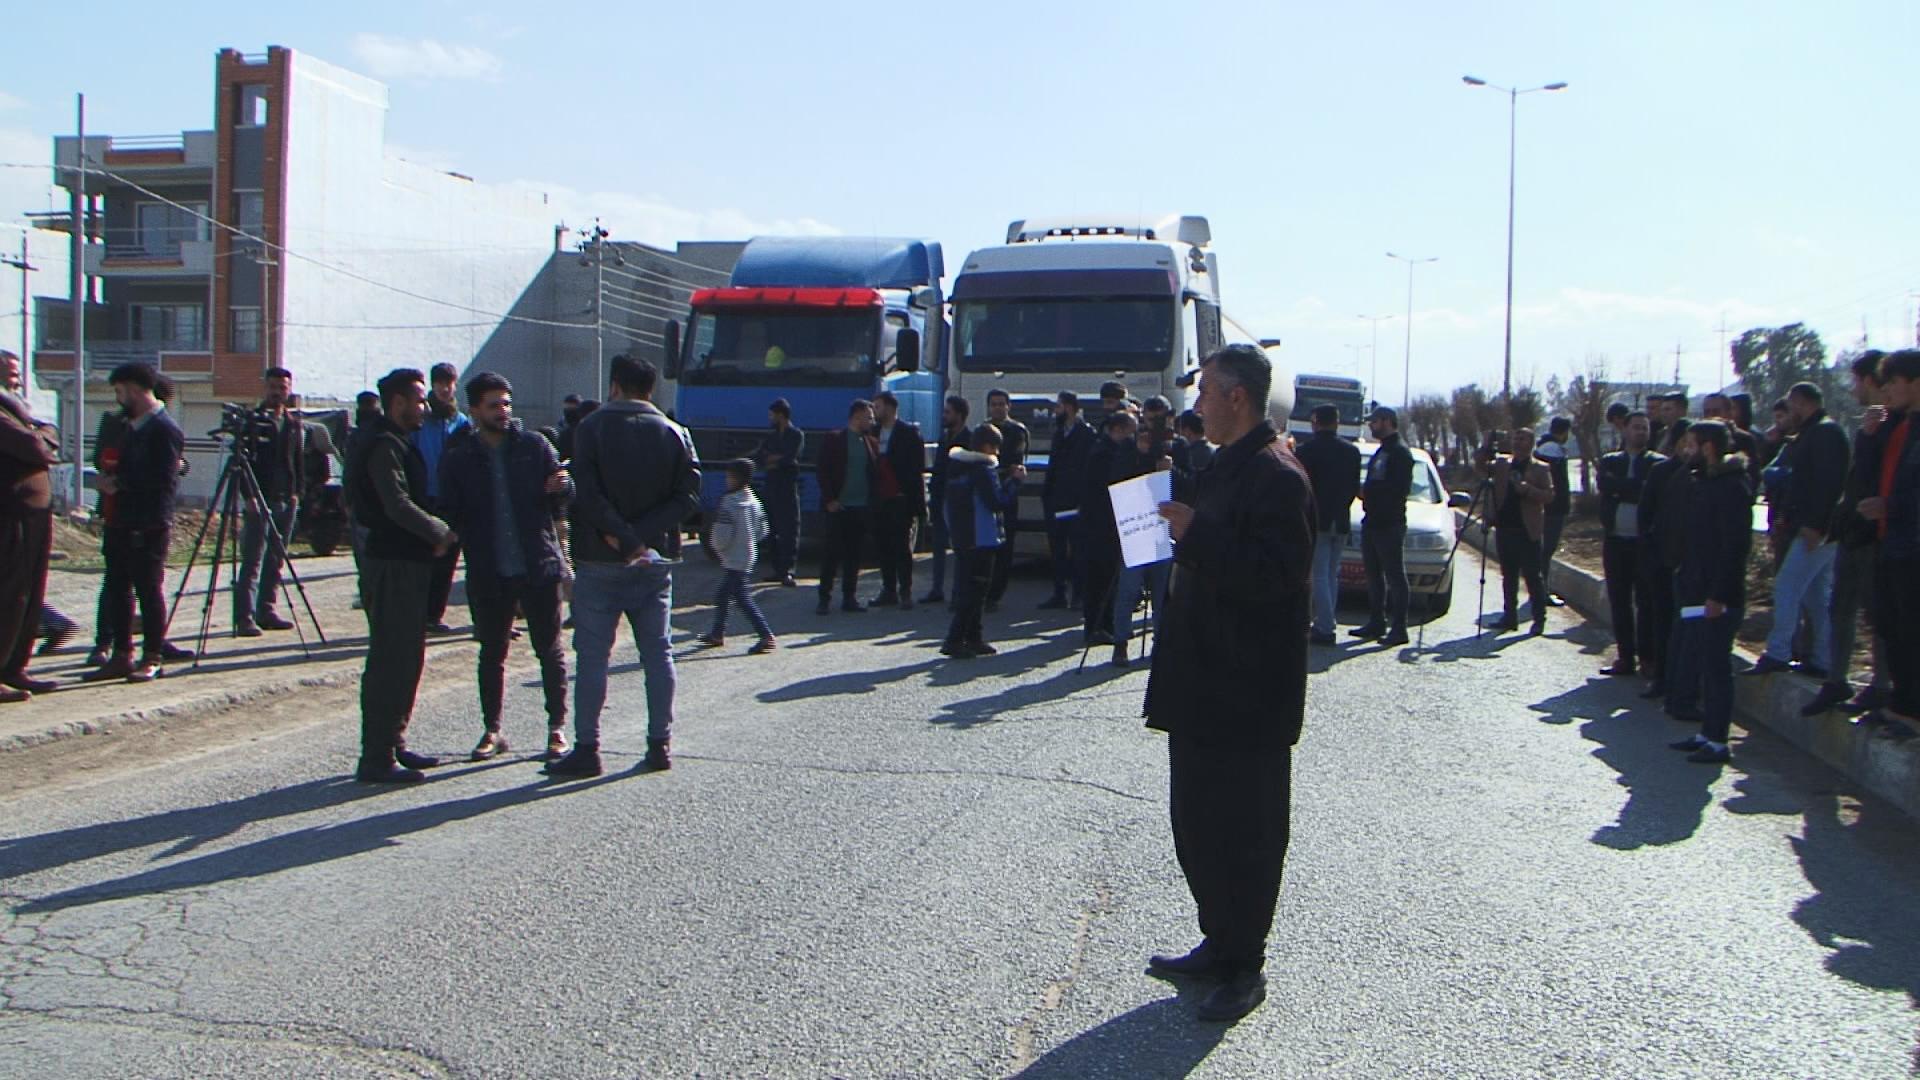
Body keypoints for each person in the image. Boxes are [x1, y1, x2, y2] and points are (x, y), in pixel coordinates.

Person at [1143, 344, 1314, 1024]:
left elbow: (1277, 580)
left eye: (1208, 391)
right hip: (1204, 682)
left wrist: (1196, 534)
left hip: (1247, 694)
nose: (1199, 404)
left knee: (1245, 830)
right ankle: (1219, 941)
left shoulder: (1279, 476)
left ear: (1237, 396)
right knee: (1200, 824)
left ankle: (1245, 965)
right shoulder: (1225, 466)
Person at [555, 356, 700, 778]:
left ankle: (587, 748)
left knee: (593, 657)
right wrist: (643, 537)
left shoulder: (592, 428)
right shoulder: (676, 433)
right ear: (651, 389)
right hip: (654, 562)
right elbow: (688, 496)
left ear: (614, 385)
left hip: (599, 557)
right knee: (658, 654)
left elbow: (586, 493)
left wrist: (622, 536)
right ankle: (659, 744)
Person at [437, 372, 574, 763]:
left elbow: (565, 494)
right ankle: (492, 730)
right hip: (488, 569)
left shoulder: (535, 446)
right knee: (491, 653)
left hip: (538, 564)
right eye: (494, 405)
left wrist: (563, 487)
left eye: (507, 404)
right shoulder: (460, 456)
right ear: (474, 410)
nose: (503, 411)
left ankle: (556, 729)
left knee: (549, 651)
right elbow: (449, 509)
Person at [343, 368, 453, 783]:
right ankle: (376, 756)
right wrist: (438, 531)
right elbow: (395, 503)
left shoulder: (396, 441)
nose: (424, 407)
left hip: (407, 561)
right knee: (392, 658)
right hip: (391, 562)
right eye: (419, 400)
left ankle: (394, 741)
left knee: (408, 656)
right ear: (398, 402)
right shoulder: (382, 444)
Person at [85, 364, 183, 684]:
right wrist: (105, 480)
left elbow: (163, 480)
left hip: (149, 522)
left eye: (120, 390)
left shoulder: (164, 429)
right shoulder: (125, 425)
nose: (118, 397)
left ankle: (152, 656)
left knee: (148, 589)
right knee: (117, 588)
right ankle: (121, 654)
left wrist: (121, 483)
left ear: (137, 389)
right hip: (119, 520)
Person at [1667, 421, 1754, 764]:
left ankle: (1719, 740)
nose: (1686, 451)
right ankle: (1708, 732)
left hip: (1718, 596)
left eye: (1693, 444)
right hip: (1696, 589)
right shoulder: (1704, 482)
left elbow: (1733, 547)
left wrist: (1718, 595)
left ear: (1708, 447)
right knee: (1704, 663)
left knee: (1717, 668)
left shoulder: (1732, 486)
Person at [1750, 382, 1850, 679]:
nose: (1788, 412)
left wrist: (1815, 525)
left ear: (1804, 403)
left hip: (1816, 530)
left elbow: (1828, 484)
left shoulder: (1826, 434)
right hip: (1808, 526)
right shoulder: (1808, 434)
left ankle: (1779, 652)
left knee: (1787, 586)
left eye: (1792, 406)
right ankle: (1822, 659)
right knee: (1815, 596)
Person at [1855, 349, 1919, 737]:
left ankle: (1911, 711)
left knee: (1911, 629)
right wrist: (1867, 438)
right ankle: (1900, 704)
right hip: (1888, 542)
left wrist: (1890, 506)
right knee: (1891, 627)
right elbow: (1869, 474)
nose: (1887, 390)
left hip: (1912, 546)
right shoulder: (1896, 426)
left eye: (1893, 382)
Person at [0, 350, 61, 701]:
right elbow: (35, 448)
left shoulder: (17, 410)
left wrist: (42, 433)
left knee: (30, 596)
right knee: (9, 595)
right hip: (12, 514)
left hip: (36, 514)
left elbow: (47, 433)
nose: (16, 379)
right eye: (9, 373)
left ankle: (15, 668)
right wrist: (42, 435)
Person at [231, 367, 306, 636]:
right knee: (253, 560)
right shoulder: (253, 421)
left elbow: (298, 461)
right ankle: (244, 617)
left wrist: (298, 492)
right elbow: (241, 462)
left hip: (286, 499)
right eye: (273, 387)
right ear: (265, 387)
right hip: (259, 499)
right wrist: (249, 496)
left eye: (282, 387)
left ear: (289, 389)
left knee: (276, 558)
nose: (277, 392)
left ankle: (267, 609)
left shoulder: (294, 422)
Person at [941, 426, 1022, 658]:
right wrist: (1015, 482)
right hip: (982, 537)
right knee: (976, 592)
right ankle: (955, 639)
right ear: (988, 446)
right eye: (996, 447)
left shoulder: (958, 468)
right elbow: (996, 502)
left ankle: (974, 637)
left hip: (962, 536)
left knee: (971, 589)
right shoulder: (983, 470)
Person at [1594, 412, 1663, 676]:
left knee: (1645, 602)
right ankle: (1625, 657)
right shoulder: (1611, 461)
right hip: (1615, 542)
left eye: (1645, 428)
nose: (1640, 433)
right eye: (1636, 428)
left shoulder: (1657, 464)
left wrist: (1622, 488)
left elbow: (1649, 493)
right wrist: (1632, 487)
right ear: (1625, 431)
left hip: (1645, 544)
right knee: (1619, 600)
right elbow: (1606, 484)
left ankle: (1647, 658)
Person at [413, 362, 472, 634]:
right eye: (441, 384)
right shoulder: (421, 419)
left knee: (447, 560)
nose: (446, 389)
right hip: (424, 497)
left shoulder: (461, 423)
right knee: (422, 559)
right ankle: (417, 613)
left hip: (452, 500)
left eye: (450, 384)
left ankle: (434, 616)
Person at [1295, 404, 1360, 646]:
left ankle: (1325, 625)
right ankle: (1327, 619)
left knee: (1319, 573)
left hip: (1317, 518)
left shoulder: (1306, 451)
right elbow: (1354, 487)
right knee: (1332, 572)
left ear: (1315, 421)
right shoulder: (1351, 451)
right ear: (1337, 421)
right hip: (1341, 518)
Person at [1638, 418, 1693, 700]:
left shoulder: (1703, 474)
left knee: (1686, 624)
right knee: (1661, 619)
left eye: (1692, 442)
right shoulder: (1661, 472)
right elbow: (1645, 514)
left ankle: (1682, 682)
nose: (1687, 447)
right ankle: (1660, 677)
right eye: (1683, 441)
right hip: (1661, 560)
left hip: (1691, 563)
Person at [1352, 406, 1414, 646]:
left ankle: (1399, 627)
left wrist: (1373, 494)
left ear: (1387, 422)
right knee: (1373, 575)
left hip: (1390, 522)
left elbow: (1399, 489)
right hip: (1372, 521)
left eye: (1375, 422)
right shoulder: (1382, 451)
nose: (1371, 426)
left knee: (1395, 575)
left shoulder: (1400, 453)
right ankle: (1376, 621)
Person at [700, 458, 776, 654]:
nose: (727, 480)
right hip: (747, 553)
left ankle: (766, 635)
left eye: (729, 476)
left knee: (742, 598)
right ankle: (717, 633)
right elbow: (763, 529)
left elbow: (721, 534)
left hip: (733, 556)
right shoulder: (753, 501)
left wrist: (718, 548)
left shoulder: (729, 504)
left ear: (736, 478)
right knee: (723, 595)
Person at [1078, 411, 1141, 644]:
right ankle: (1096, 625)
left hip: (1106, 523)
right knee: (1099, 578)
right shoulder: (1103, 453)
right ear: (1119, 429)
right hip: (1100, 525)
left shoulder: (1110, 450)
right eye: (1131, 431)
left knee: (1107, 578)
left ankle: (1105, 623)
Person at [1487, 426, 1554, 635]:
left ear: (1531, 443)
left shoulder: (1540, 468)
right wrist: (1486, 444)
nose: (1518, 442)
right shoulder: (1502, 464)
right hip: (1505, 527)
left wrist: (1527, 489)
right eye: (1516, 438)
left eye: (1523, 439)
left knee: (1533, 577)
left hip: (1528, 530)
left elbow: (1549, 495)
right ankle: (1509, 617)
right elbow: (1479, 467)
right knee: (1508, 576)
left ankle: (1539, 619)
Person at [815, 399, 879, 615]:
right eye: (869, 417)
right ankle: (824, 598)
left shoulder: (870, 442)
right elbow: (822, 471)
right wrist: (830, 499)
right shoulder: (835, 439)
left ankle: (849, 597)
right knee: (831, 554)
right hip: (838, 507)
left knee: (854, 555)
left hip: (860, 507)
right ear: (857, 416)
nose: (872, 421)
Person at [869, 391, 925, 610]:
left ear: (891, 408)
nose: (875, 411)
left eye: (879, 407)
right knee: (883, 545)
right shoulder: (872, 432)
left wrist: (911, 497)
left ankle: (905, 591)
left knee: (901, 547)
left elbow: (915, 468)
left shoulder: (908, 433)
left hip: (900, 499)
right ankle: (888, 589)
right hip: (879, 498)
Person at [1040, 391, 1094, 610]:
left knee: (1078, 551)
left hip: (1076, 501)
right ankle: (1059, 593)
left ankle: (1079, 595)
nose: (1056, 411)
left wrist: (1084, 499)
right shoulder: (1058, 433)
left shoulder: (1086, 433)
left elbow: (1087, 469)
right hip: (1057, 499)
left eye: (1059, 407)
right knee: (1057, 550)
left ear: (1070, 408)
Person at [921, 395, 971, 606]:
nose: (944, 416)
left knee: (960, 549)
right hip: (942, 497)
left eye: (948, 412)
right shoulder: (945, 437)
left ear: (959, 415)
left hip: (959, 501)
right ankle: (937, 589)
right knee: (939, 546)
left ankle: (959, 593)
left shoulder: (969, 439)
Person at [983, 388, 1030, 610]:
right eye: (994, 404)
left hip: (1007, 490)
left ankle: (995, 594)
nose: (998, 408)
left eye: (1002, 404)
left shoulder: (1017, 430)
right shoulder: (982, 430)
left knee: (1005, 545)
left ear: (1008, 406)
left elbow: (1014, 463)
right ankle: (983, 590)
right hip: (986, 491)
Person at [755, 398, 803, 586]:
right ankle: (777, 569)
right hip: (771, 486)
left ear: (781, 415)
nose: (770, 418)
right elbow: (760, 458)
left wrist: (775, 460)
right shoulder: (770, 436)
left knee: (789, 529)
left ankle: (788, 570)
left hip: (787, 487)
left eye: (772, 415)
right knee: (771, 529)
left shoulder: (795, 435)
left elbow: (790, 458)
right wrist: (774, 459)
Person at [1535, 416, 1574, 607]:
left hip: (1543, 508)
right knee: (1546, 550)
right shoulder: (1554, 453)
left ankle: (1540, 588)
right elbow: (1559, 485)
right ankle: (1542, 591)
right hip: (1553, 509)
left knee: (1543, 550)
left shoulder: (1542, 449)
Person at [1171, 409, 1213, 474]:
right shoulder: (1211, 451)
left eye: (1178, 430)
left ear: (1187, 431)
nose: (1177, 435)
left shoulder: (1190, 454)